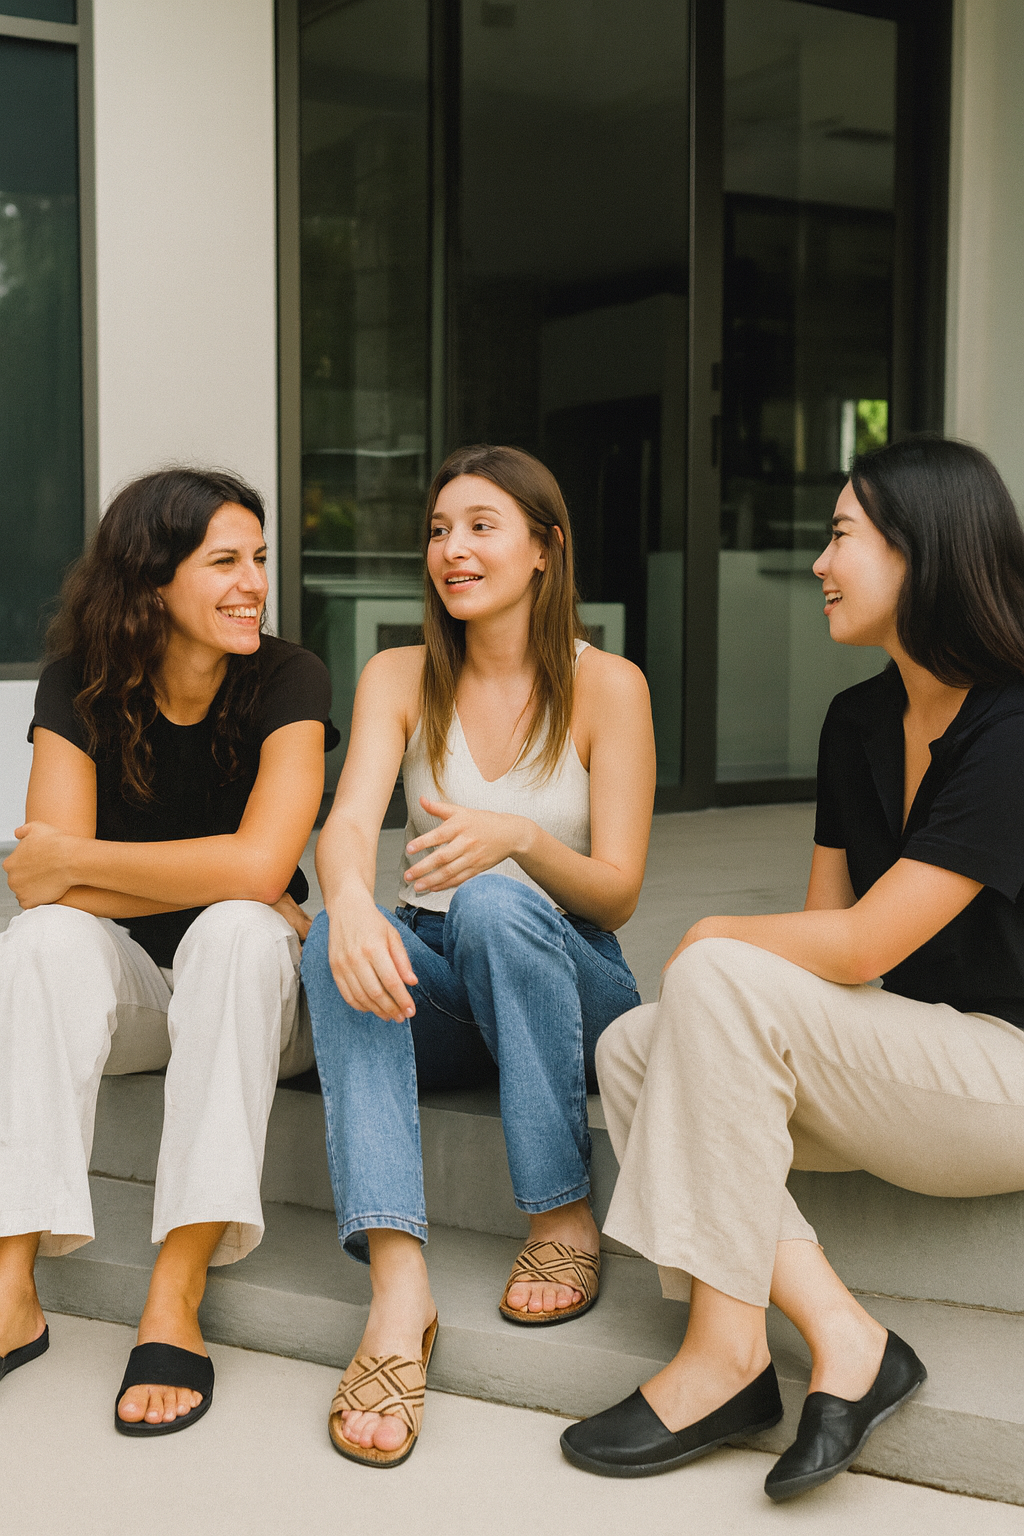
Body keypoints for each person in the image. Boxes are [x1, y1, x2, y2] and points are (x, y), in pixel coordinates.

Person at [561, 436, 1024, 1501]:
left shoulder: (1010, 725)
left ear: (925, 554)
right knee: (637, 1044)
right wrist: (729, 960)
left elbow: (860, 945)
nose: (817, 562)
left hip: (1002, 1075)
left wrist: (711, 936)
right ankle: (838, 1330)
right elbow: (822, 947)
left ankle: (722, 1360)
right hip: (899, 1063)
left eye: (840, 536)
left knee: (711, 980)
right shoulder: (855, 719)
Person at [301, 443, 656, 1467]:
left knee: (498, 901)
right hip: (448, 988)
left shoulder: (609, 687)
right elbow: (347, 822)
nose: (451, 550)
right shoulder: (401, 674)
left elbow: (620, 888)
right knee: (339, 929)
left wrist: (524, 842)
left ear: (546, 548)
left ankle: (562, 1210)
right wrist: (355, 900)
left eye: (480, 527)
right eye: (438, 530)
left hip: (569, 974)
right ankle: (399, 1292)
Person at [0, 468, 337, 1435]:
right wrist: (231, 870)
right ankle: (12, 1289)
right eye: (224, 561)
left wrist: (235, 877)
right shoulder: (80, 683)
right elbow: (38, 881)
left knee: (236, 928)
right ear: (152, 584)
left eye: (260, 560)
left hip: (260, 999)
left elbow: (265, 862)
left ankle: (175, 1293)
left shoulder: (290, 678)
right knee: (43, 940)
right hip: (148, 993)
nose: (253, 584)